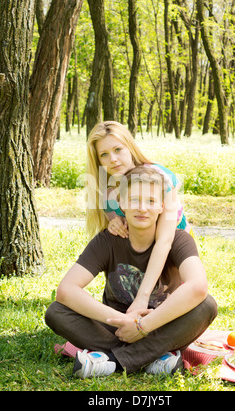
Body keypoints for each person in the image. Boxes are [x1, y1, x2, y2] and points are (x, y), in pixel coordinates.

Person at [45, 166, 217, 379]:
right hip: (116, 327)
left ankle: (110, 361)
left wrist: (143, 327)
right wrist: (126, 323)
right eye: (135, 200)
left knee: (206, 306)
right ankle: (153, 358)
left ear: (162, 207)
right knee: (56, 312)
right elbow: (66, 290)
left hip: (162, 325)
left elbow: (198, 286)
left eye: (151, 201)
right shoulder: (107, 241)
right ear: (122, 203)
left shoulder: (179, 239)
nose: (142, 208)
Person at [85, 120, 194, 315]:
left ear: (130, 147)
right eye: (104, 154)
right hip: (138, 260)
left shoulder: (159, 177)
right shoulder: (106, 191)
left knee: (170, 311)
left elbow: (164, 241)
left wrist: (142, 298)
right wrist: (114, 224)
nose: (113, 159)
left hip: (171, 259)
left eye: (118, 149)